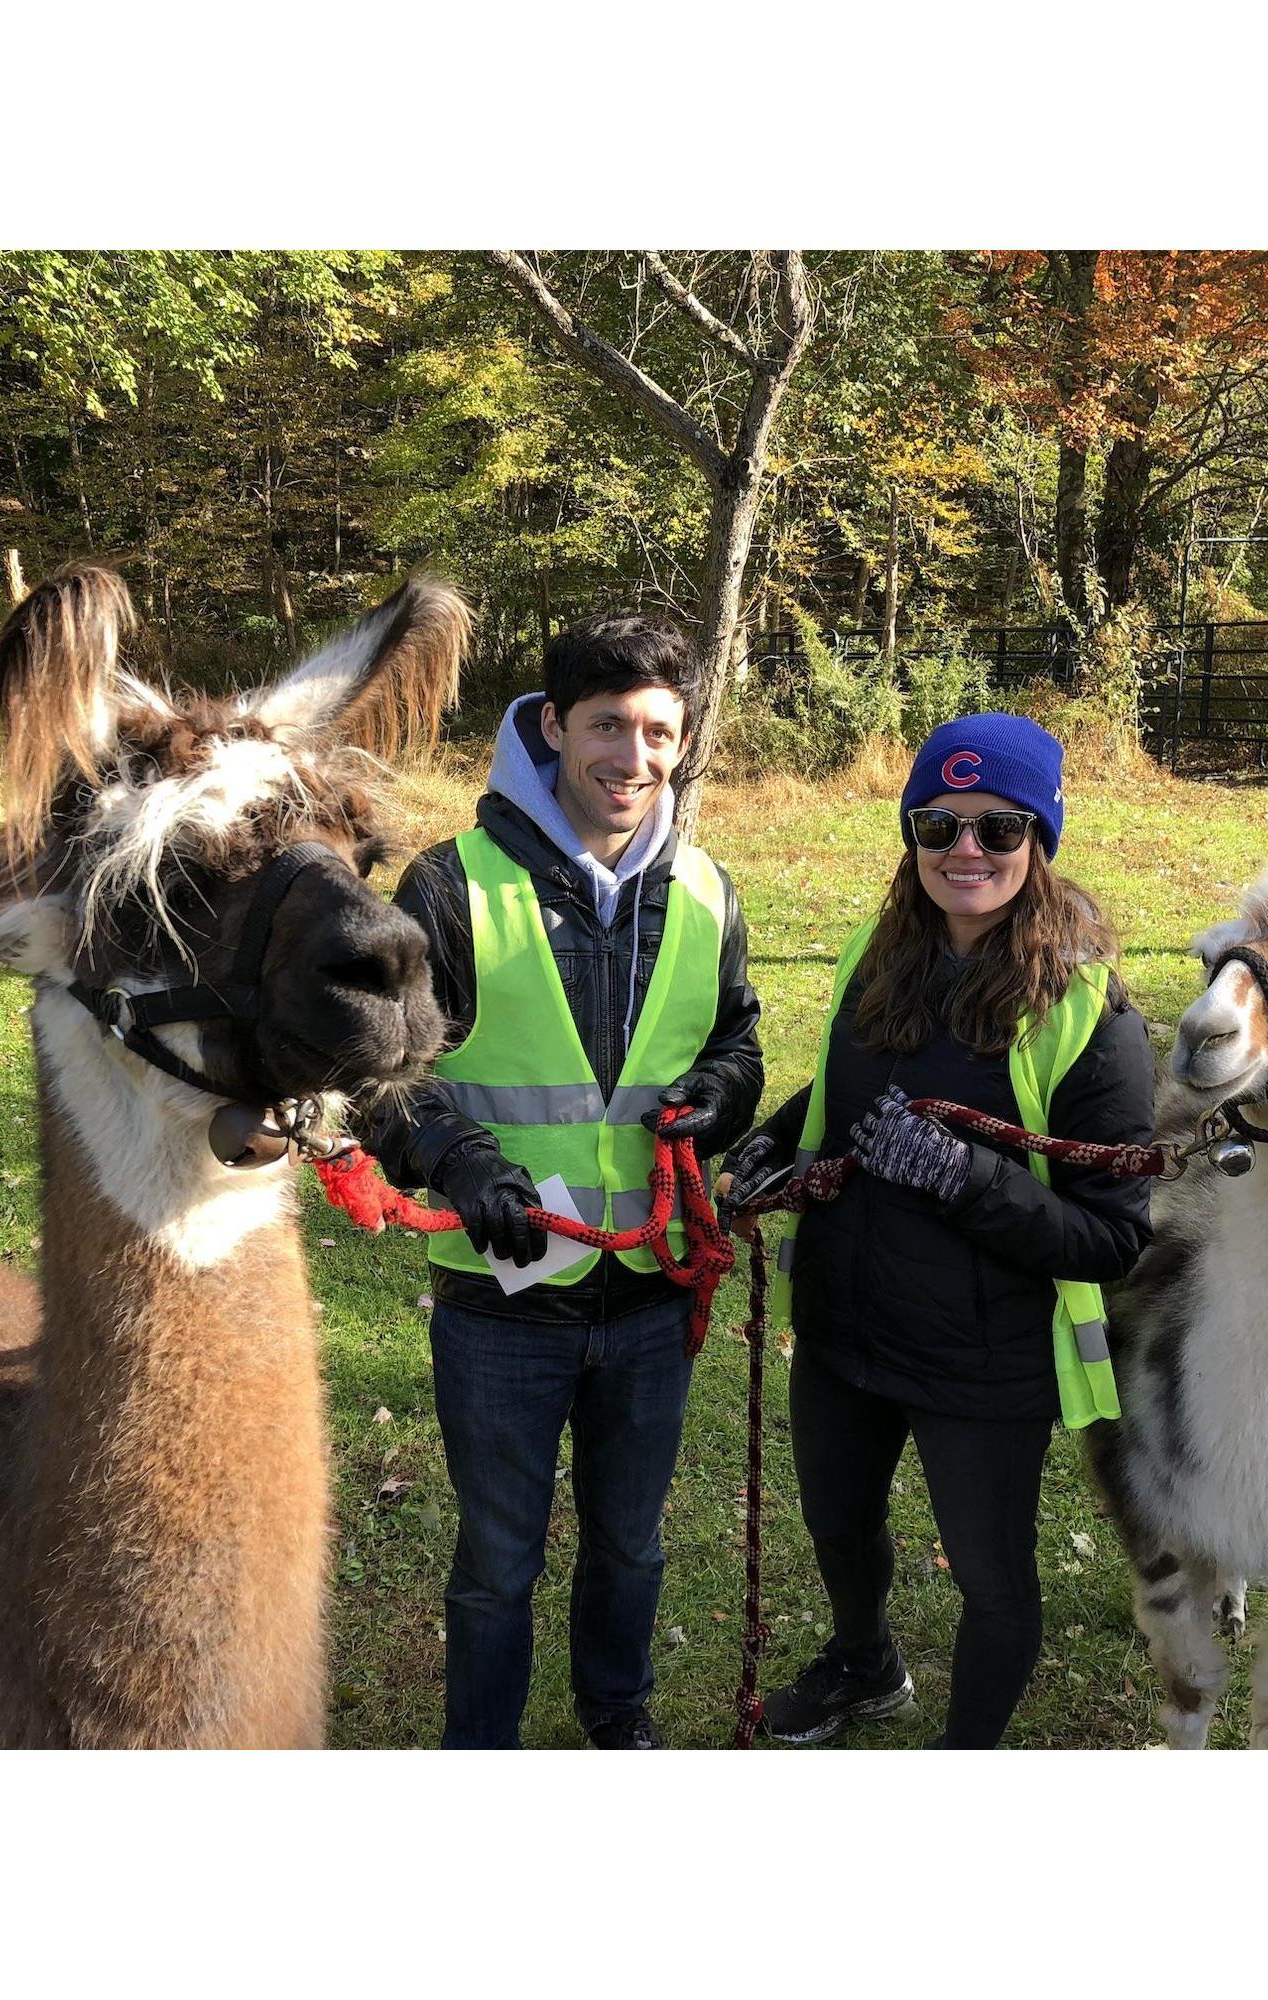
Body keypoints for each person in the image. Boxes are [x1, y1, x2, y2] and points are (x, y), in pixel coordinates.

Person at [368, 612, 763, 1749]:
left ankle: (614, 1717)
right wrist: (456, 1157)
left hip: (645, 1295)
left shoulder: (704, 890)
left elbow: (736, 1040)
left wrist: (722, 1098)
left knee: (630, 1544)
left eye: (655, 730)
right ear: (550, 726)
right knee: (497, 1561)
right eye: (604, 725)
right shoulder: (449, 885)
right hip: (500, 1302)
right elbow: (384, 1073)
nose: (630, 757)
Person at [721, 713, 1154, 1749]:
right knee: (836, 1521)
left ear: (1038, 840)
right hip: (845, 1322)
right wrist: (767, 1149)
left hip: (984, 1355)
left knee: (990, 1574)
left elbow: (1110, 1236)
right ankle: (862, 1665)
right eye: (936, 824)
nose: (964, 849)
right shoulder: (880, 957)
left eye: (998, 828)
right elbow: (839, 1092)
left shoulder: (1090, 1014)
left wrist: (969, 1179)